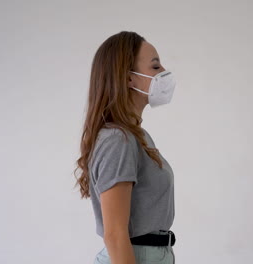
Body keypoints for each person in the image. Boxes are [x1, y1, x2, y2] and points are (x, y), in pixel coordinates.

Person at [74, 31, 177, 264]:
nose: (164, 72)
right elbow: (115, 234)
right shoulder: (118, 139)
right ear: (129, 78)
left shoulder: (136, 136)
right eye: (155, 66)